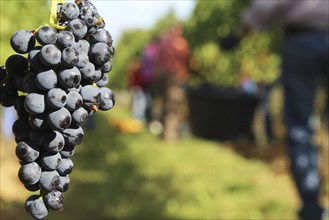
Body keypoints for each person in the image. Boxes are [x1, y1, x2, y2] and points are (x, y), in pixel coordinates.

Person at [229, 1, 329, 220]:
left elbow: (267, 5)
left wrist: (239, 34)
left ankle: (313, 211)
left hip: (303, 42)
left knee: (300, 128)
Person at [152, 24, 190, 141]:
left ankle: (163, 131)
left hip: (160, 76)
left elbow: (156, 60)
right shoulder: (180, 43)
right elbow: (187, 59)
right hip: (174, 76)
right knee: (174, 105)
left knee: (164, 103)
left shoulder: (162, 42)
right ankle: (170, 135)